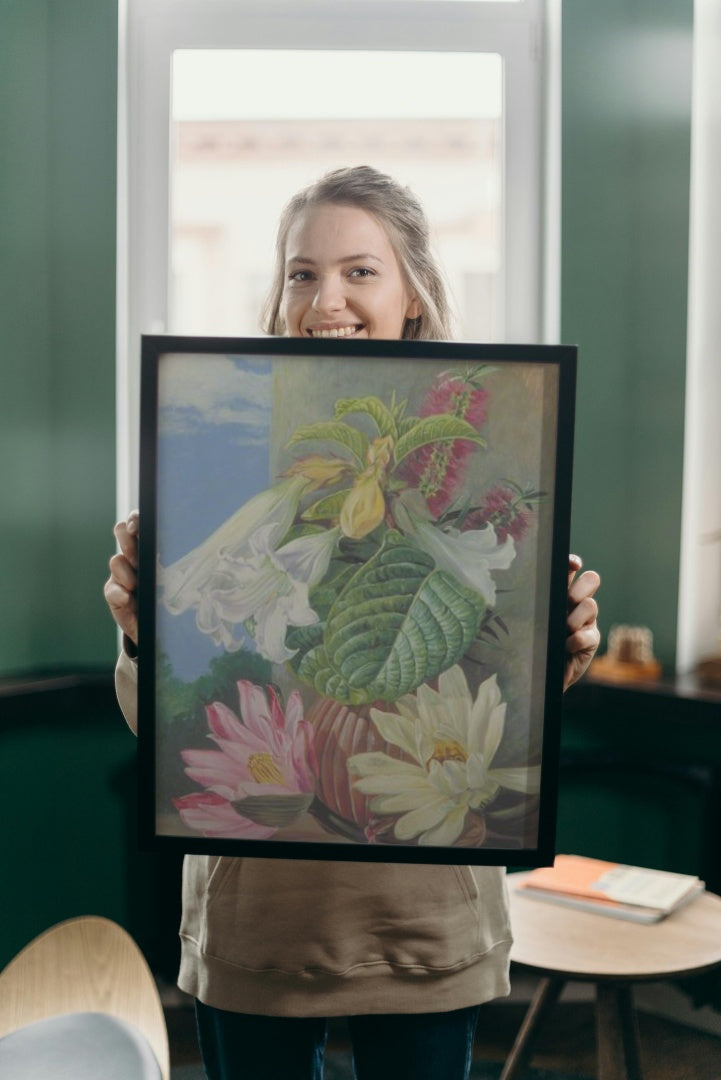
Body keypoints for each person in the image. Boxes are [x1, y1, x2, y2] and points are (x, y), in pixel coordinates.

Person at [105, 166, 601, 1080]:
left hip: (423, 920)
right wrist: (141, 636)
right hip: (258, 920)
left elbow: (496, 701)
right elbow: (167, 729)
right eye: (301, 272)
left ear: (412, 292)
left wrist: (559, 651)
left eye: (359, 271)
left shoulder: (487, 447)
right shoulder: (215, 442)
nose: (324, 298)